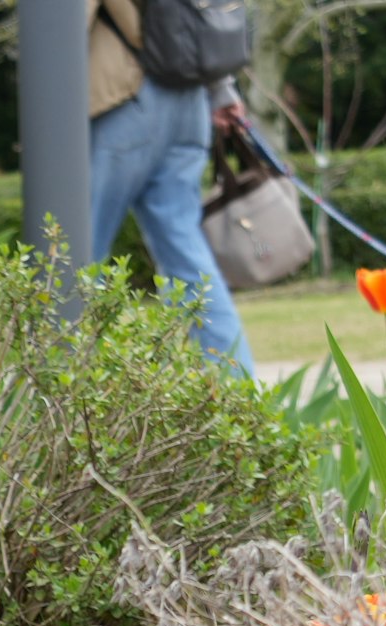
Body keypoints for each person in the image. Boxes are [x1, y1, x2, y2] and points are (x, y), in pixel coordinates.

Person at [86, 0, 261, 377]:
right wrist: (222, 90)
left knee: (76, 256)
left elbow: (68, 23)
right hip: (189, 102)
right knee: (188, 260)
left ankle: (61, 391)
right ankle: (239, 394)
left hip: (123, 101)